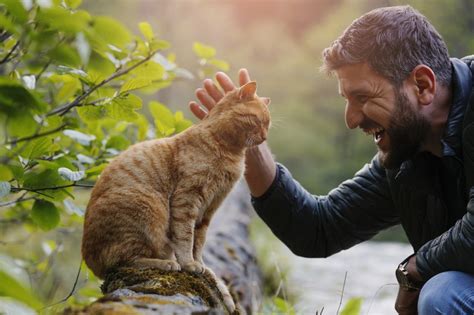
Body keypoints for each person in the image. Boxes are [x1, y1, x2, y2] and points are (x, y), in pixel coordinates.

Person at [189, 5, 474, 314]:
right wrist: (248, 143)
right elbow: (317, 229)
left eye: (363, 98)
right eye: (347, 100)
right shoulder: (408, 156)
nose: (351, 120)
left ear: (422, 85)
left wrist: (415, 270)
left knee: (442, 295)